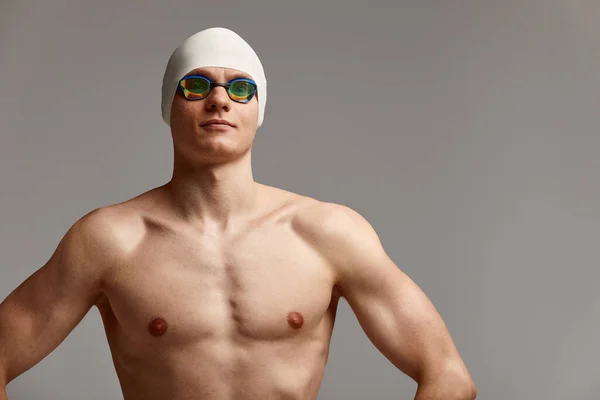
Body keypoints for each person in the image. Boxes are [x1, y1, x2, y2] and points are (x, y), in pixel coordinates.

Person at [0, 27, 476, 400]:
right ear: (169, 104)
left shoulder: (326, 233)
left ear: (257, 109)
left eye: (241, 88)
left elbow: (449, 377)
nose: (220, 99)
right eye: (196, 85)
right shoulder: (110, 240)